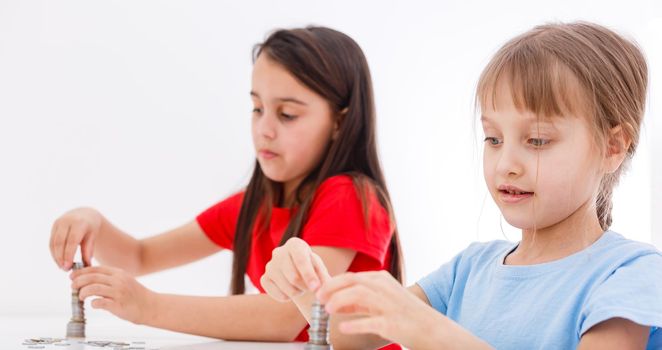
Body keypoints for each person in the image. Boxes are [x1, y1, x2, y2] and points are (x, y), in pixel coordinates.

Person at [261, 22, 662, 349]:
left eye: (537, 140)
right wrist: (306, 286)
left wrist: (433, 334)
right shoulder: (469, 269)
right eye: (493, 139)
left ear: (613, 147)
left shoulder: (630, 274)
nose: (506, 164)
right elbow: (353, 337)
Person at [49, 26, 403, 344]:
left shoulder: (351, 197)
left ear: (340, 123)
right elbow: (139, 257)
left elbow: (286, 317)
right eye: (256, 108)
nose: (264, 129)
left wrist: (148, 307)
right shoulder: (252, 206)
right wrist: (92, 220)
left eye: (287, 114)